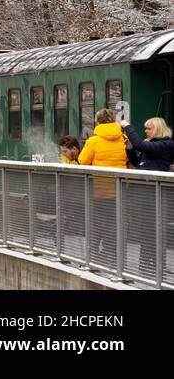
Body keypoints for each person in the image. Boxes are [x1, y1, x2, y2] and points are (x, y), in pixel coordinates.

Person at [78, 109, 128, 268]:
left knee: (96, 224)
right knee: (115, 225)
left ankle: (92, 256)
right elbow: (131, 162)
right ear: (114, 120)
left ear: (98, 122)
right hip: (119, 191)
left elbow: (82, 161)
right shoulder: (124, 138)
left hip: (98, 191)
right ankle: (112, 257)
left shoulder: (93, 141)